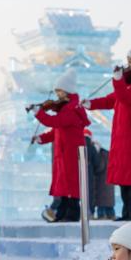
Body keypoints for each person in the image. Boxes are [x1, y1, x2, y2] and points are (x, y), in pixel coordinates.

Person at [84, 41, 131, 221]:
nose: (128, 65)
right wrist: (91, 104)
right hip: (122, 137)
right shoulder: (128, 82)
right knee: (124, 177)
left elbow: (126, 97)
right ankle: (126, 212)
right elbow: (112, 99)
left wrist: (118, 81)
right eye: (128, 61)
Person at [34, 69, 91, 223]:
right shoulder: (65, 109)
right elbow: (55, 131)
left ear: (68, 91)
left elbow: (54, 122)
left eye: (60, 92)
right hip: (63, 153)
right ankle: (61, 214)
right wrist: (41, 138)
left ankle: (72, 214)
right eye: (56, 92)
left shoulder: (71, 110)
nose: (57, 96)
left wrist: (39, 113)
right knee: (65, 186)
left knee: (71, 185)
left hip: (71, 152)